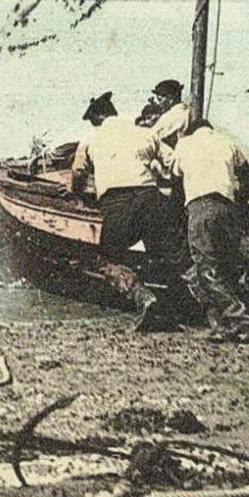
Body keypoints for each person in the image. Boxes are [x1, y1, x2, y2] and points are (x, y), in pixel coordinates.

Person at [68, 91, 185, 330]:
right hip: (151, 198)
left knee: (104, 258)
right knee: (172, 254)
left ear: (98, 117)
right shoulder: (146, 132)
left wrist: (77, 195)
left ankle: (145, 298)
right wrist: (175, 193)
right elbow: (176, 164)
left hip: (117, 203)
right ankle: (197, 308)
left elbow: (78, 173)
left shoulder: (91, 138)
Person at [169, 119, 249, 343]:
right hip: (227, 206)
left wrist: (179, 212)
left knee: (208, 269)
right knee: (236, 266)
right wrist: (242, 201)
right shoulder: (227, 141)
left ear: (191, 131)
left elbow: (174, 180)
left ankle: (238, 320)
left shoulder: (184, 145)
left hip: (200, 207)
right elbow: (248, 177)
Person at [145, 79, 193, 144]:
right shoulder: (186, 111)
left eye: (160, 99)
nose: (159, 103)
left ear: (170, 98)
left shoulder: (173, 115)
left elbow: (152, 136)